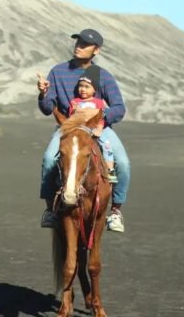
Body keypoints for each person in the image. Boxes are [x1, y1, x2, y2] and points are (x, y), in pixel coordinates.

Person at [37, 29, 131, 233]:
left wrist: (100, 118)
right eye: (77, 42)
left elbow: (119, 108)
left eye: (84, 44)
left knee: (122, 163)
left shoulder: (102, 76)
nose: (78, 46)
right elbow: (47, 109)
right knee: (49, 159)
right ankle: (50, 211)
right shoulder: (58, 72)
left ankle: (115, 211)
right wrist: (43, 93)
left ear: (96, 50)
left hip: (98, 127)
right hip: (68, 126)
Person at [68, 73, 117, 184]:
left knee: (107, 145)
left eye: (87, 87)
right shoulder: (75, 102)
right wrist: (74, 111)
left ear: (94, 90)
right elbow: (71, 118)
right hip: (80, 130)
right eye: (81, 86)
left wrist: (99, 129)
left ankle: (110, 170)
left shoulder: (98, 103)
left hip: (96, 130)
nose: (83, 89)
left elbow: (101, 118)